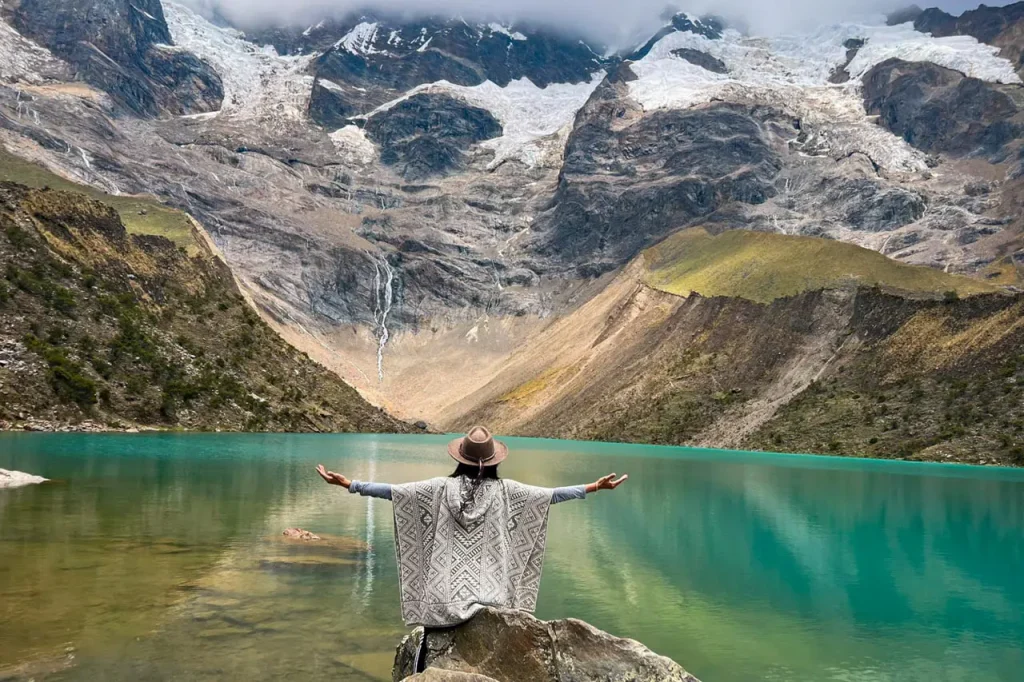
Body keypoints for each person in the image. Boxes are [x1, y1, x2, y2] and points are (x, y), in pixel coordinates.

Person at [315, 425, 627, 633]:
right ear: (493, 461)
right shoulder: (507, 492)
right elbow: (550, 496)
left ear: (461, 458)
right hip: (492, 598)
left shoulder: (438, 489)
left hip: (441, 601)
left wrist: (350, 484)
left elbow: (394, 492)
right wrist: (593, 487)